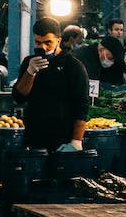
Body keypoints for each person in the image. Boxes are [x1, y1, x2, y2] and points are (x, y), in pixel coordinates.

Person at [12, 17, 89, 151]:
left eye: (48, 43)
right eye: (37, 42)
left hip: (62, 139)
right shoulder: (29, 62)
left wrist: (76, 140)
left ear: (58, 40)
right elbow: (19, 97)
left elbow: (81, 106)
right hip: (33, 138)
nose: (43, 47)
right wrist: (30, 72)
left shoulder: (74, 66)